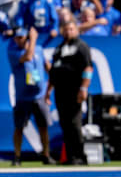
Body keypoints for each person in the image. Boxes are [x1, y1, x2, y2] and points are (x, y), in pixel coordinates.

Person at [45, 19, 92, 165]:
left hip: (75, 89)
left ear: (76, 30)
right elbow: (54, 73)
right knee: (65, 124)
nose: (68, 32)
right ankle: (71, 156)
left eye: (71, 29)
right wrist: (48, 91)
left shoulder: (81, 46)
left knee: (75, 123)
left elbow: (88, 68)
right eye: (66, 29)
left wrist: (84, 88)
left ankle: (80, 156)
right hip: (60, 90)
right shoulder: (59, 49)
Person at [8, 27, 55, 166]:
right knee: (19, 127)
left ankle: (46, 155)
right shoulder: (13, 52)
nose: (18, 40)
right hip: (23, 96)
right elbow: (28, 56)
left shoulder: (39, 50)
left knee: (43, 127)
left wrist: (49, 90)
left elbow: (47, 68)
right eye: (16, 37)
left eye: (21, 37)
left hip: (39, 95)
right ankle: (17, 156)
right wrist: (33, 39)